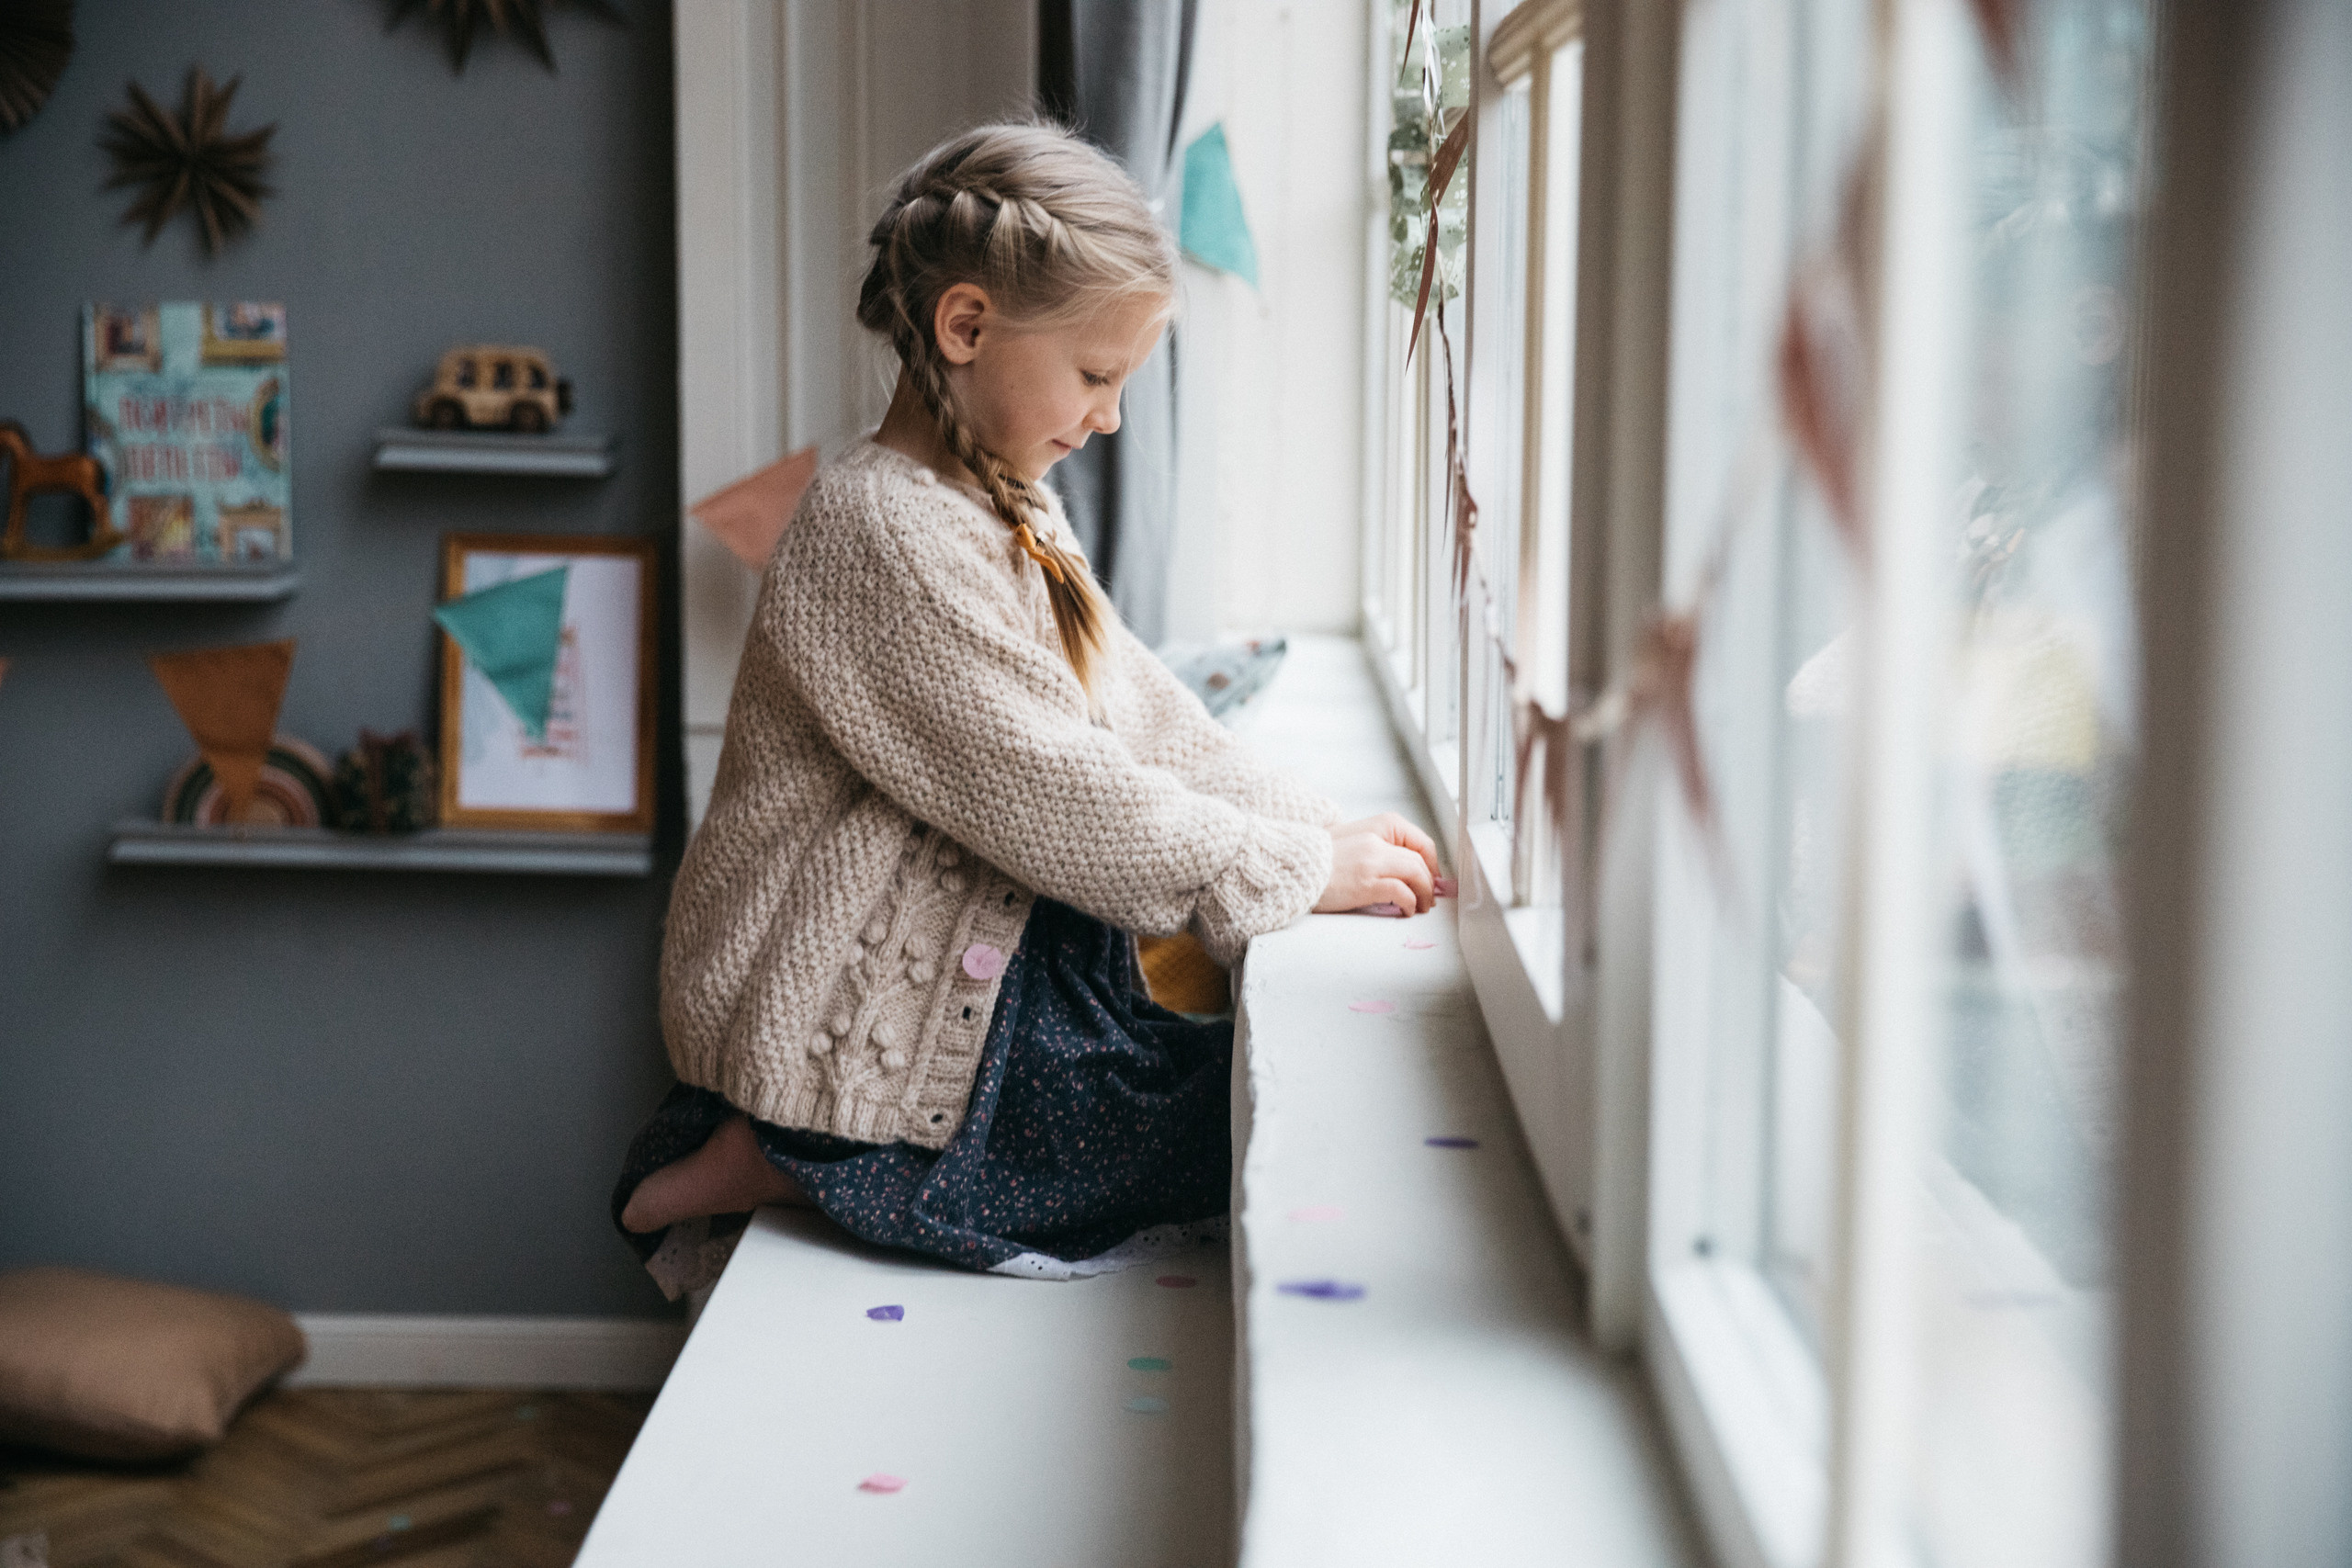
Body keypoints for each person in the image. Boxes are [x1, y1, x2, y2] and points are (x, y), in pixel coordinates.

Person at [612, 121, 1440, 1291]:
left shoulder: (1007, 508)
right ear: (964, 328)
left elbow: (1144, 715)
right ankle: (783, 1147)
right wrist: (1288, 873)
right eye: (1095, 377)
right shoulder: (881, 532)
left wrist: (1319, 828)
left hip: (1001, 952)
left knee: (1195, 1091)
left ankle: (804, 1153)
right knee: (1201, 1135)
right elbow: (1055, 787)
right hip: (846, 1003)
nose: (1107, 418)